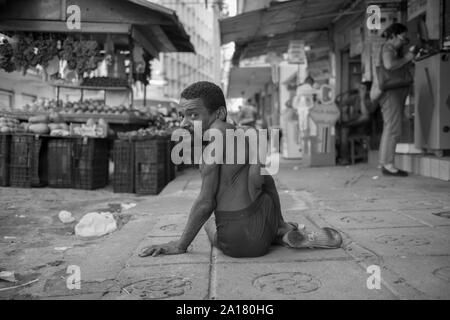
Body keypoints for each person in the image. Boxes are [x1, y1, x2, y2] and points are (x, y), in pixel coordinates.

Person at [139, 81, 342, 258]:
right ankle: (282, 230)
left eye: (193, 115)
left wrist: (180, 245)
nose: (185, 123)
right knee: (266, 178)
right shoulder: (248, 133)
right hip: (261, 233)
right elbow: (258, 182)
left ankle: (281, 231)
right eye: (183, 115)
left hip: (235, 242)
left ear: (218, 113)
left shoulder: (210, 148)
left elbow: (205, 202)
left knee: (210, 224)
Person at [378, 23, 415, 177]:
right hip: (391, 93)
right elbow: (389, 64)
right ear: (393, 36)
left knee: (391, 128)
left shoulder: (393, 49)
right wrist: (407, 58)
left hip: (396, 93)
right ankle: (388, 164)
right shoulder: (388, 48)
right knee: (393, 128)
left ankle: (385, 162)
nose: (404, 41)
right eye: (402, 37)